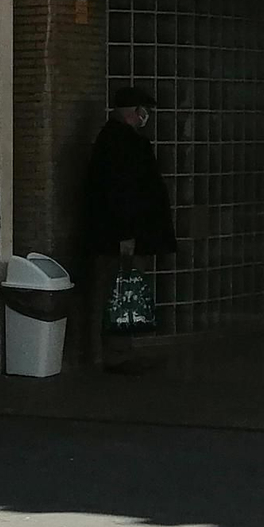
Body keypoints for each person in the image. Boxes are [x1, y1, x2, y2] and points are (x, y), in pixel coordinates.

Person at [82, 86, 176, 371]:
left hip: (113, 234)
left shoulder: (109, 140)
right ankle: (116, 354)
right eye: (143, 111)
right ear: (133, 111)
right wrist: (126, 234)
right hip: (122, 235)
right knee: (121, 291)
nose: (146, 116)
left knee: (114, 290)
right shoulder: (124, 144)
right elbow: (123, 192)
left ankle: (110, 352)